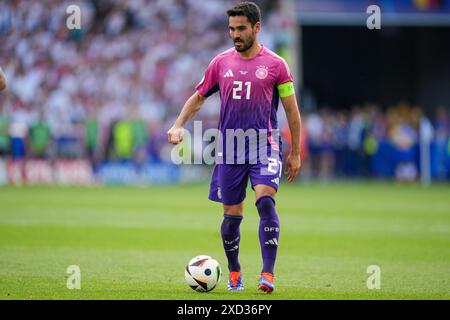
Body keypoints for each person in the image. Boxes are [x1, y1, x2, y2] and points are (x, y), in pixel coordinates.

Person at [167, 1, 302, 294]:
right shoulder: (221, 63)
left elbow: (292, 111)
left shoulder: (277, 65)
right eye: (231, 29)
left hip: (264, 146)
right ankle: (235, 271)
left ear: (256, 28)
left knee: (265, 200)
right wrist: (178, 124)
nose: (235, 34)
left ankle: (268, 274)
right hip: (229, 149)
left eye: (241, 28)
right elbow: (199, 97)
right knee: (232, 216)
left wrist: (295, 152)